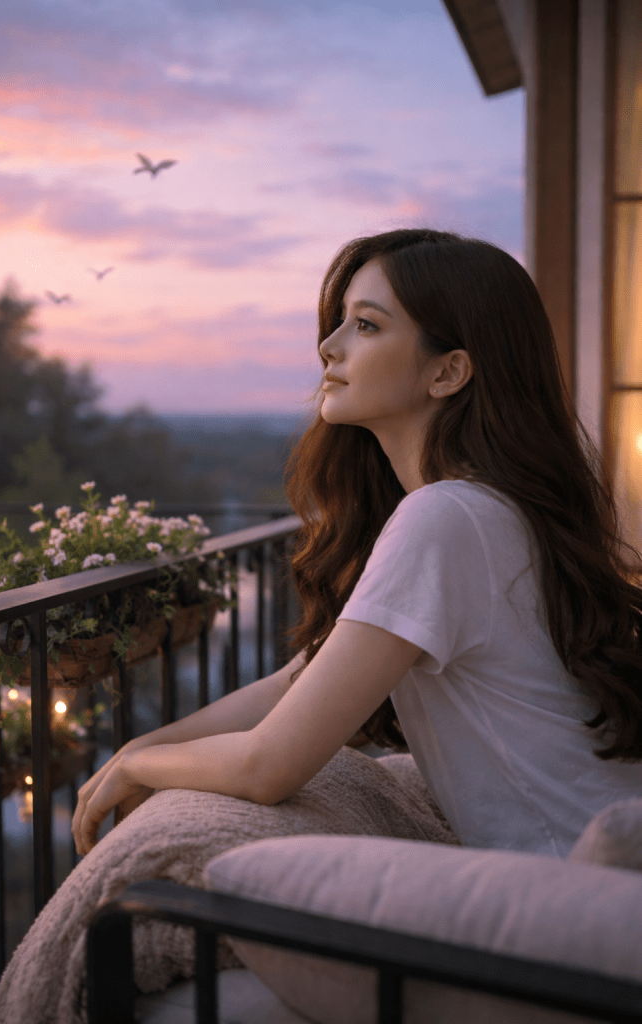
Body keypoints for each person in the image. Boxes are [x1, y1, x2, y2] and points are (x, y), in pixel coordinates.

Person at [73, 227, 642, 860]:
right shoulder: (489, 509)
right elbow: (299, 685)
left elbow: (269, 765)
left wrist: (138, 768)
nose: (328, 346)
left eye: (366, 326)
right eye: (340, 321)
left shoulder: (446, 517)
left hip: (582, 893)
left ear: (448, 372)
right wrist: (139, 750)